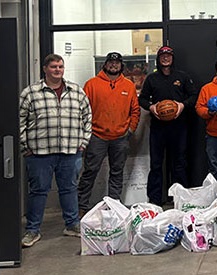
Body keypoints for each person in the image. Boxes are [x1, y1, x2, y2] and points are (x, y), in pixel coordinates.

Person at [19, 53, 92, 247]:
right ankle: (33, 230)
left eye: (60, 66)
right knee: (38, 191)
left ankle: (72, 225)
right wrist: (25, 147)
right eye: (53, 67)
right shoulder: (31, 93)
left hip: (70, 151)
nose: (57, 70)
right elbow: (19, 121)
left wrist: (83, 143)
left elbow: (87, 118)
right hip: (39, 153)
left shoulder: (76, 92)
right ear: (45, 69)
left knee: (69, 189)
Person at [77, 52, 140, 216]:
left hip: (120, 137)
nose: (114, 65)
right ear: (105, 64)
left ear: (121, 65)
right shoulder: (91, 84)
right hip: (97, 136)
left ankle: (114, 206)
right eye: (111, 62)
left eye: (117, 62)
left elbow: (135, 110)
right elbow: (82, 110)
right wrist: (87, 131)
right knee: (90, 172)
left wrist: (130, 129)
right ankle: (81, 207)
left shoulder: (128, 85)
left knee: (117, 173)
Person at [138, 46, 198, 207]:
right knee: (156, 164)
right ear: (158, 59)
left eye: (168, 55)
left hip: (179, 126)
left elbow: (194, 96)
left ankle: (180, 199)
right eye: (162, 56)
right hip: (158, 127)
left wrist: (182, 105)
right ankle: (155, 200)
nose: (166, 58)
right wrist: (151, 107)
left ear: (172, 58)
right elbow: (142, 99)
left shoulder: (182, 77)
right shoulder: (152, 78)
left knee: (179, 163)